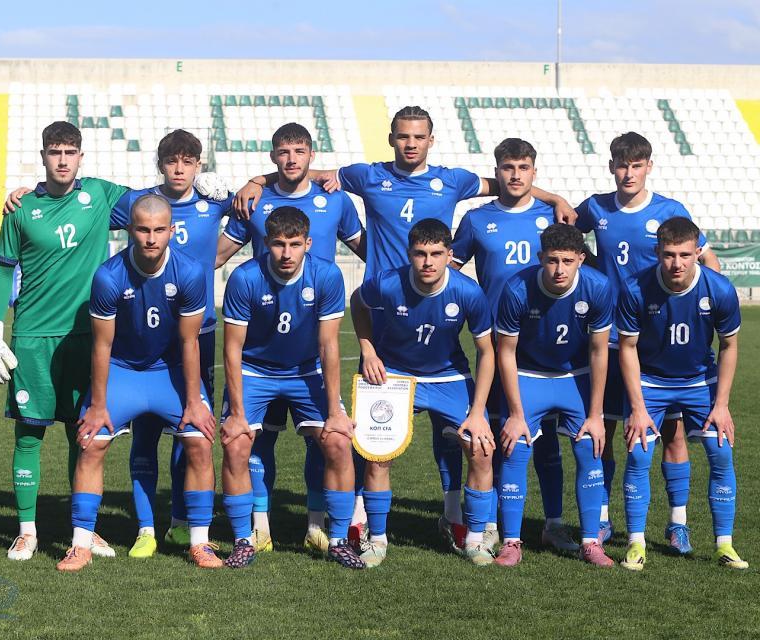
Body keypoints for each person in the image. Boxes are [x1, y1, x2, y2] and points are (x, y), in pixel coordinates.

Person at [225, 105, 576, 553]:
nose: (411, 143)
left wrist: (553, 198)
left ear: (431, 140)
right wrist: (256, 181)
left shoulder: (452, 181)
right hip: (385, 313)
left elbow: (506, 182)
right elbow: (302, 170)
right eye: (403, 136)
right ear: (392, 138)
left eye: (418, 136)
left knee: (456, 435)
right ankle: (358, 522)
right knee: (369, 436)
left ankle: (456, 519)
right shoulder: (368, 176)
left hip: (435, 310)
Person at [215, 122, 365, 554]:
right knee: (247, 440)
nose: (292, 159)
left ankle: (327, 531)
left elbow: (369, 252)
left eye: (300, 151)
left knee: (333, 440)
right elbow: (216, 257)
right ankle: (253, 532)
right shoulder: (254, 202)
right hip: (258, 362)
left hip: (307, 358)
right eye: (284, 151)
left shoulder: (335, 200)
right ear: (272, 156)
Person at [0, 121, 127, 560]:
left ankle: (83, 529)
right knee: (29, 435)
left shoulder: (101, 195)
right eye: (55, 152)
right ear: (43, 156)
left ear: (81, 156)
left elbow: (156, 203)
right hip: (33, 338)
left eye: (69, 152)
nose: (62, 160)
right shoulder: (20, 208)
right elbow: (4, 271)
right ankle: (27, 530)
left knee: (81, 435)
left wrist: (218, 188)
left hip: (88, 337)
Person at [55, 194, 218, 571]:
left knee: (199, 441)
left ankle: (200, 542)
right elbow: (102, 345)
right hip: (122, 371)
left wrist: (194, 402)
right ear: (129, 229)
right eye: (143, 229)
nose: (151, 238)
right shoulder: (109, 276)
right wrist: (98, 406)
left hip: (169, 371)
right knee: (91, 442)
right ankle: (80, 544)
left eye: (159, 230)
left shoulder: (190, 273)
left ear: (172, 231)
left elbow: (190, 342)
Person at [575, 131, 720, 550]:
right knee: (604, 429)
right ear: (611, 166)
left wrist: (712, 297)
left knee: (672, 433)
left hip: (656, 341)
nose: (628, 173)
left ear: (649, 167)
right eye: (622, 165)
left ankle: (677, 523)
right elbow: (566, 232)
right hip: (609, 337)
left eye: (636, 165)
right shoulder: (596, 207)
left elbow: (706, 259)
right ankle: (602, 518)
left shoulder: (669, 210)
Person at [109, 130, 231, 557]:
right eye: (171, 161)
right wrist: (29, 190)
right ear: (160, 164)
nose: (179, 169)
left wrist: (252, 184)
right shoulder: (137, 203)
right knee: (144, 431)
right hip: (144, 335)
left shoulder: (216, 202)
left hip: (198, 334)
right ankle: (145, 529)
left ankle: (181, 523)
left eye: (188, 161)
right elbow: (81, 203)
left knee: (190, 429)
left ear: (199, 165)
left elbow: (263, 209)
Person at [451, 137, 575, 555]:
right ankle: (493, 526)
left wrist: (555, 198)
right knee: (498, 436)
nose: (516, 175)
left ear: (534, 172)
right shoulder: (476, 219)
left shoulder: (552, 217)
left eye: (523, 167)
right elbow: (452, 271)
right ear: (497, 171)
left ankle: (553, 524)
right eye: (508, 167)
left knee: (548, 441)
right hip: (496, 343)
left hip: (546, 344)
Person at [350, 218, 496, 567]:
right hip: (395, 374)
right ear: (409, 254)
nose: (427, 262)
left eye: (436, 254)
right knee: (378, 454)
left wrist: (478, 411)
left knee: (480, 448)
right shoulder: (387, 283)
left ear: (449, 254)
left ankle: (475, 539)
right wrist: (368, 350)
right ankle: (377, 538)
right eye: (420, 254)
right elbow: (357, 303)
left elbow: (487, 352)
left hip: (448, 377)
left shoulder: (468, 292)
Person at [617, 216, 747, 571]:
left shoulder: (719, 289)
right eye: (669, 254)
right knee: (639, 454)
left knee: (721, 452)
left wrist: (722, 404)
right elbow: (627, 348)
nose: (677, 263)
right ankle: (636, 544)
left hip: (699, 382)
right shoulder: (635, 288)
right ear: (657, 252)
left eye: (685, 255)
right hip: (651, 382)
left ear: (697, 252)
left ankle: (724, 545)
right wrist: (638, 407)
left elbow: (729, 346)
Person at [495, 223, 614, 567]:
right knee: (514, 447)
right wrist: (516, 414)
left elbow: (599, 351)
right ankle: (511, 541)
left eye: (567, 261)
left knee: (591, 446)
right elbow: (505, 352)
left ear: (581, 259)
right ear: (540, 258)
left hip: (575, 376)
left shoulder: (598, 287)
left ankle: (590, 542)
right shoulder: (517, 289)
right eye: (551, 260)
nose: (559, 269)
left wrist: (596, 414)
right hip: (528, 375)